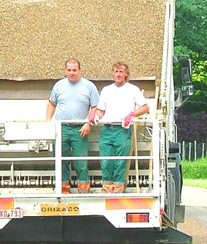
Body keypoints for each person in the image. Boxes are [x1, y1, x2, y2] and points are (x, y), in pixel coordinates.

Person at [89, 62, 149, 193]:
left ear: (126, 74)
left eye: (121, 72)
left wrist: (132, 115)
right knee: (105, 161)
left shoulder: (133, 89)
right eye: (116, 71)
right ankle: (106, 187)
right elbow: (100, 110)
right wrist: (95, 117)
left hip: (123, 130)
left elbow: (145, 107)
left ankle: (118, 187)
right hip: (107, 129)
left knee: (120, 161)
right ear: (112, 73)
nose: (118, 74)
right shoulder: (106, 90)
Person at [46, 58, 99, 194]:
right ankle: (63, 189)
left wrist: (89, 122)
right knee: (60, 160)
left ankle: (84, 190)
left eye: (74, 70)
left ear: (80, 70)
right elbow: (52, 104)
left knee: (80, 162)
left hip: (80, 129)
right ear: (65, 71)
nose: (72, 73)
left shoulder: (89, 86)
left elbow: (95, 107)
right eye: (69, 70)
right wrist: (48, 122)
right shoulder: (59, 86)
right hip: (61, 128)